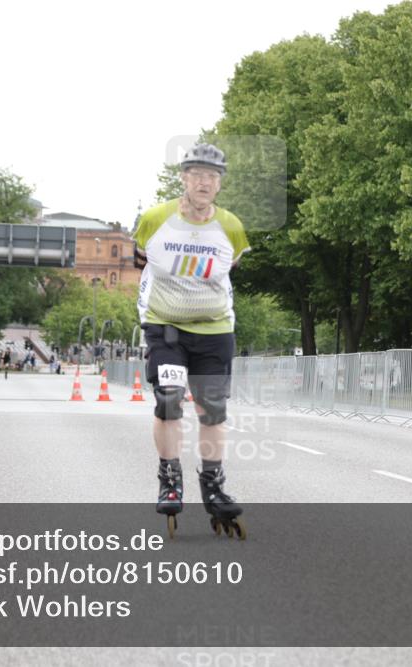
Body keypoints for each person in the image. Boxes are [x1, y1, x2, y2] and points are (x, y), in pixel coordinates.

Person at [132, 143, 250, 538]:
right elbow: (140, 259)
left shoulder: (231, 227)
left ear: (220, 183)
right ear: (183, 178)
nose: (204, 182)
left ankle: (213, 486)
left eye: (213, 176)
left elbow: (230, 266)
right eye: (197, 174)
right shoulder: (154, 220)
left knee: (212, 408)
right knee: (168, 395)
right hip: (165, 326)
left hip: (215, 330)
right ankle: (169, 477)